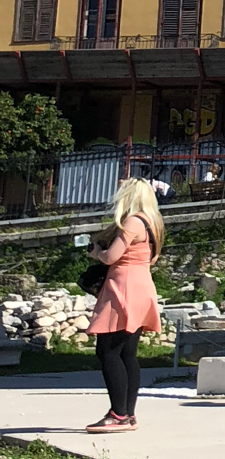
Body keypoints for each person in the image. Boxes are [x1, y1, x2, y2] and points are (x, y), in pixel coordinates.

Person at [86, 177, 164, 434]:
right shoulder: (153, 222)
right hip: (143, 285)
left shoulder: (131, 222)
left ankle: (117, 413)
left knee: (107, 350)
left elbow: (111, 257)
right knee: (127, 354)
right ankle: (129, 414)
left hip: (123, 288)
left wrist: (96, 252)